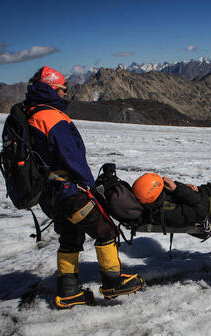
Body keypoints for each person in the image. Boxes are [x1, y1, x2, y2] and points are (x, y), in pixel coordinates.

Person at [24, 66, 143, 308]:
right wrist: (90, 187)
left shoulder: (29, 113)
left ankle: (68, 292)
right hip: (69, 191)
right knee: (105, 230)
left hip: (50, 194)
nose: (65, 94)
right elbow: (72, 157)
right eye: (62, 89)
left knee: (70, 237)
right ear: (51, 88)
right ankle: (113, 282)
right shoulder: (51, 116)